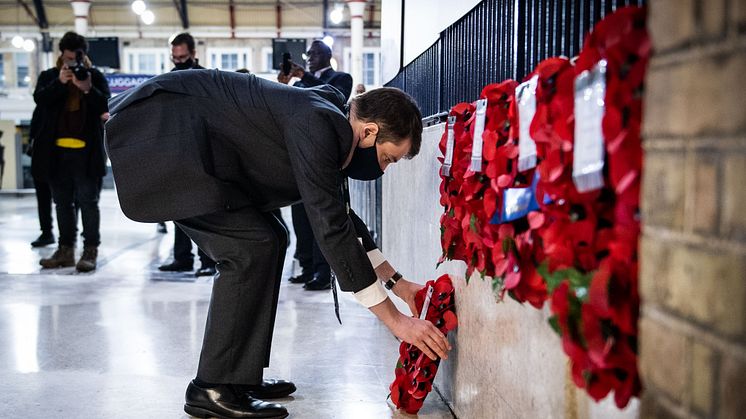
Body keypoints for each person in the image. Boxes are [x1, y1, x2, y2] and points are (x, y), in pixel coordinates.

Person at [105, 69, 451, 418]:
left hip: (191, 149)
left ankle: (238, 379)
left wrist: (400, 284)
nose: (384, 168)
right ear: (369, 132)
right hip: (163, 139)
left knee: (270, 239)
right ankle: (213, 387)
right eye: (388, 158)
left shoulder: (333, 124)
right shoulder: (319, 124)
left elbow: (342, 219)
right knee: (249, 249)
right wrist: (396, 322)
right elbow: (330, 229)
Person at [278, 39, 353, 291]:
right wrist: (283, 86)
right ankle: (307, 267)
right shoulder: (300, 84)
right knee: (301, 219)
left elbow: (332, 96)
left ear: (328, 55)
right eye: (307, 53)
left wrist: (306, 76)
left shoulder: (342, 78)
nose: (309, 56)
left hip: (325, 157)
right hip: (299, 156)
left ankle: (323, 272)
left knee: (322, 217)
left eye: (314, 53)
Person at [33, 32, 110, 272]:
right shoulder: (49, 76)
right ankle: (65, 249)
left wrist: (87, 89)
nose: (71, 64)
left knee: (88, 202)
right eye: (67, 59)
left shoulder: (94, 76)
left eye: (74, 59)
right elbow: (40, 100)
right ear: (61, 55)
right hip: (56, 154)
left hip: (87, 154)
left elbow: (106, 106)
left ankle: (90, 250)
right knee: (62, 203)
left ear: (83, 56)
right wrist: (60, 83)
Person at [156, 32, 217, 277]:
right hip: (176, 153)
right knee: (178, 209)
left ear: (192, 54)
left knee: (204, 211)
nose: (178, 60)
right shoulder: (166, 80)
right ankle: (182, 257)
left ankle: (208, 260)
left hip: (201, 152)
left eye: (183, 56)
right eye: (175, 57)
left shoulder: (205, 78)